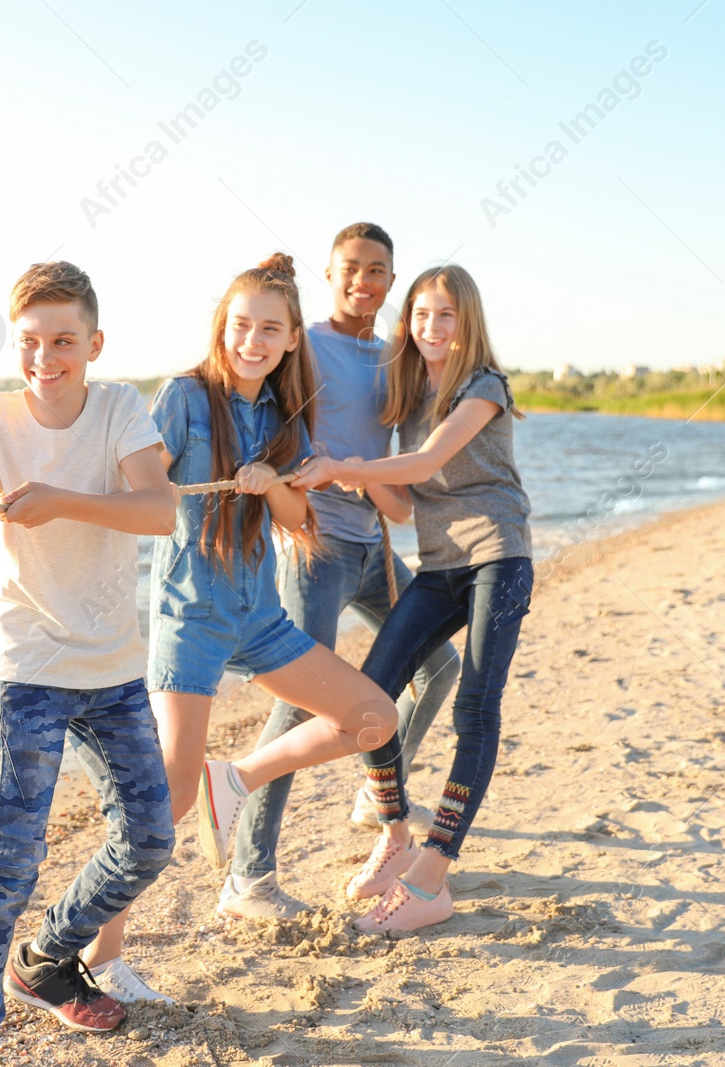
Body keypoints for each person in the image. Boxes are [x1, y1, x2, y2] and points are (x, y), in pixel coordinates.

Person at [80, 254, 401, 1001]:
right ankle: (103, 955)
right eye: (240, 325)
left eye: (268, 329)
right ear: (222, 328)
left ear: (293, 339)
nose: (251, 340)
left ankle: (242, 775)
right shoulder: (187, 397)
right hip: (189, 618)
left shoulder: (286, 414)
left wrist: (274, 482)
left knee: (372, 717)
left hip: (259, 617)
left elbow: (300, 521)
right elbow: (147, 489)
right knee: (167, 799)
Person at [0, 261, 177, 1067]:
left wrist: (63, 498)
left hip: (109, 663)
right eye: (30, 341)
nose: (46, 357)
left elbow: (160, 510)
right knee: (11, 853)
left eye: (64, 340)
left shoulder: (119, 409)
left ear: (93, 342)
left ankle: (45, 961)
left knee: (148, 839)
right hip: (25, 656)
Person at [230, 224, 462, 922]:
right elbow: (246, 379)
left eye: (378, 271)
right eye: (352, 268)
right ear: (330, 275)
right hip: (315, 541)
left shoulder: (396, 352)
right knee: (299, 698)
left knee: (439, 665)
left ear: (393, 283)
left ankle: (377, 790)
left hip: (367, 544)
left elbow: (399, 452)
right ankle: (247, 878)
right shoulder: (307, 341)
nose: (364, 280)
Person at [294, 263, 534, 933]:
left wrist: (351, 466)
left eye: (446, 315)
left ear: (468, 324)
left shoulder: (484, 387)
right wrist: (349, 473)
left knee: (474, 705)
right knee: (371, 695)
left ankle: (433, 874)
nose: (431, 326)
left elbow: (427, 464)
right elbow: (402, 504)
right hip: (438, 565)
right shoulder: (409, 398)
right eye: (421, 314)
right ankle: (396, 832)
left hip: (498, 556)